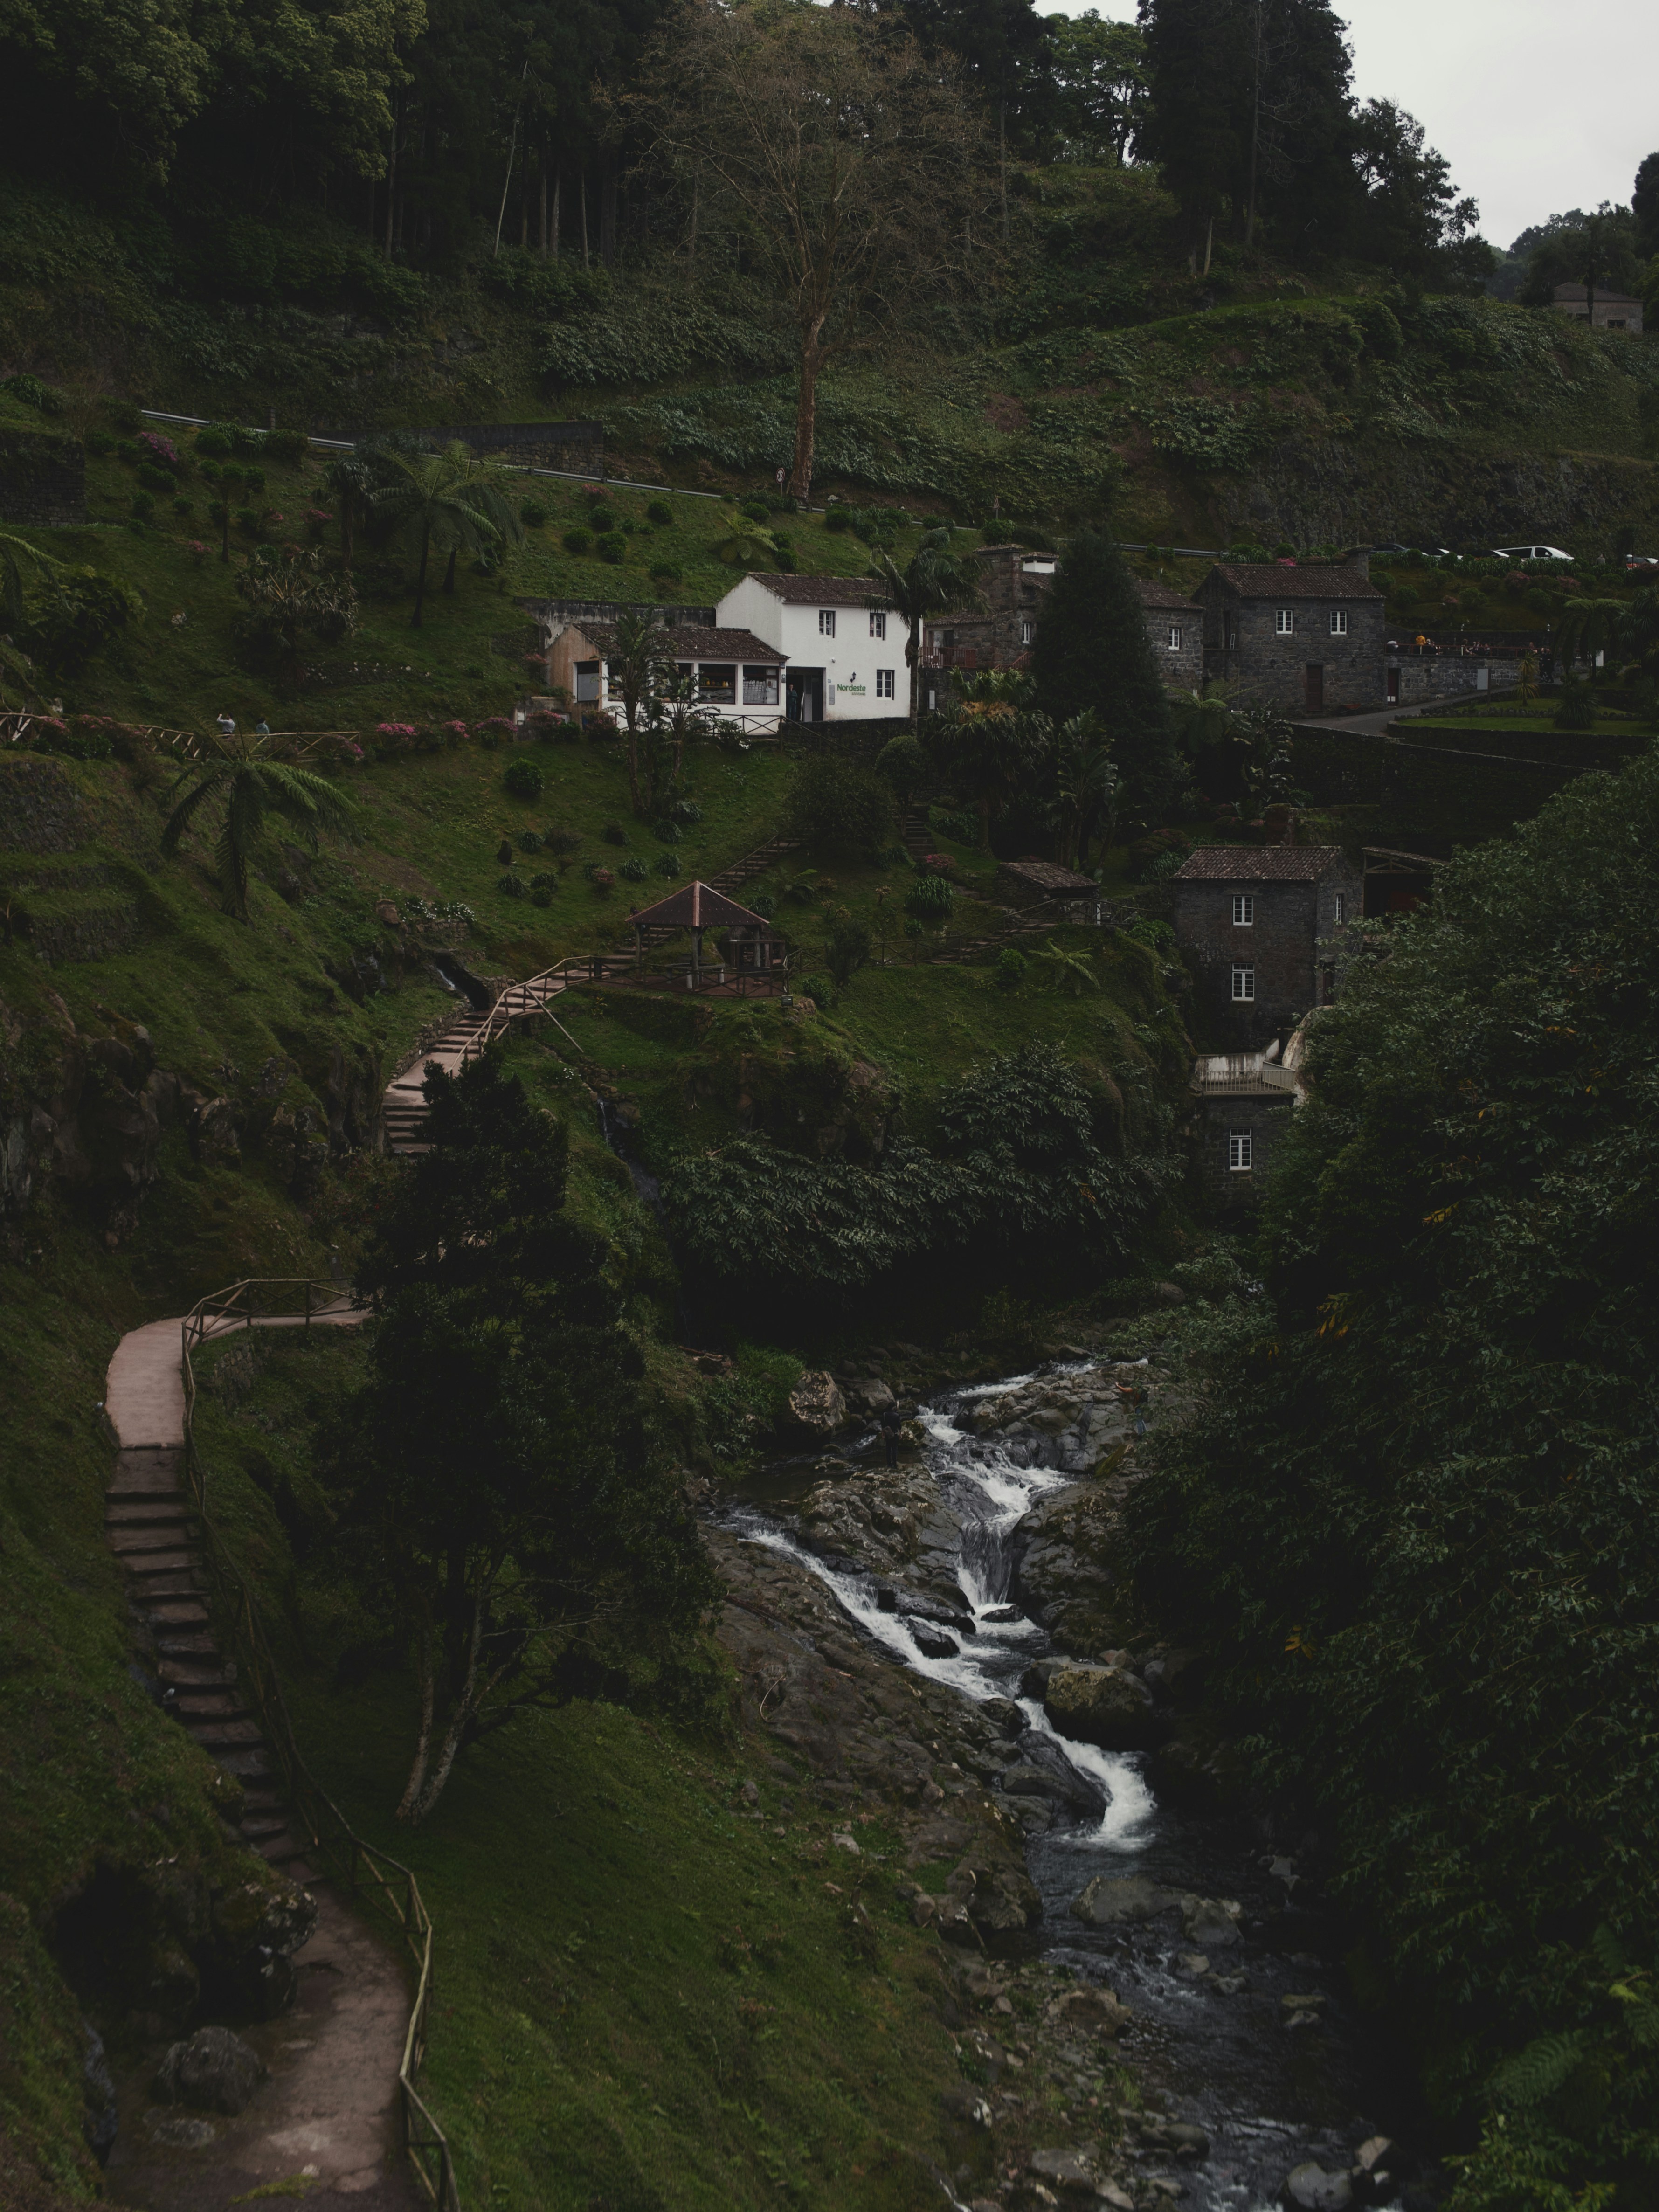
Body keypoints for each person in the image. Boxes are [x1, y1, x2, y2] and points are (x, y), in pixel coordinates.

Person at [879, 1400, 902, 1470]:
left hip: (887, 1434)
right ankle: (894, 1465)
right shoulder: (897, 1416)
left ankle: (889, 1464)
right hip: (894, 1434)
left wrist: (883, 1433)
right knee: (895, 1449)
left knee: (888, 1449)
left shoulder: (884, 1414)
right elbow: (899, 1427)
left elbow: (883, 1425)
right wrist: (900, 1434)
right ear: (894, 1407)